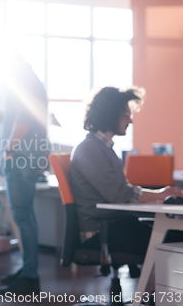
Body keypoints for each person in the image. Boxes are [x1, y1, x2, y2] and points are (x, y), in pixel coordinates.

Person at [69, 86, 183, 257]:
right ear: (111, 115)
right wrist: (160, 195)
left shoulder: (102, 148)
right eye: (126, 115)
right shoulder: (90, 150)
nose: (130, 121)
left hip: (116, 224)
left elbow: (121, 192)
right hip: (102, 231)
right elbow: (119, 194)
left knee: (174, 234)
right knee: (175, 239)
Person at [0, 53, 48, 296]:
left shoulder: (23, 80)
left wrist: (8, 149)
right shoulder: (30, 80)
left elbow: (25, 117)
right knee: (25, 215)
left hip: (20, 157)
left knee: (22, 216)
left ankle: (30, 276)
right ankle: (28, 271)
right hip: (24, 155)